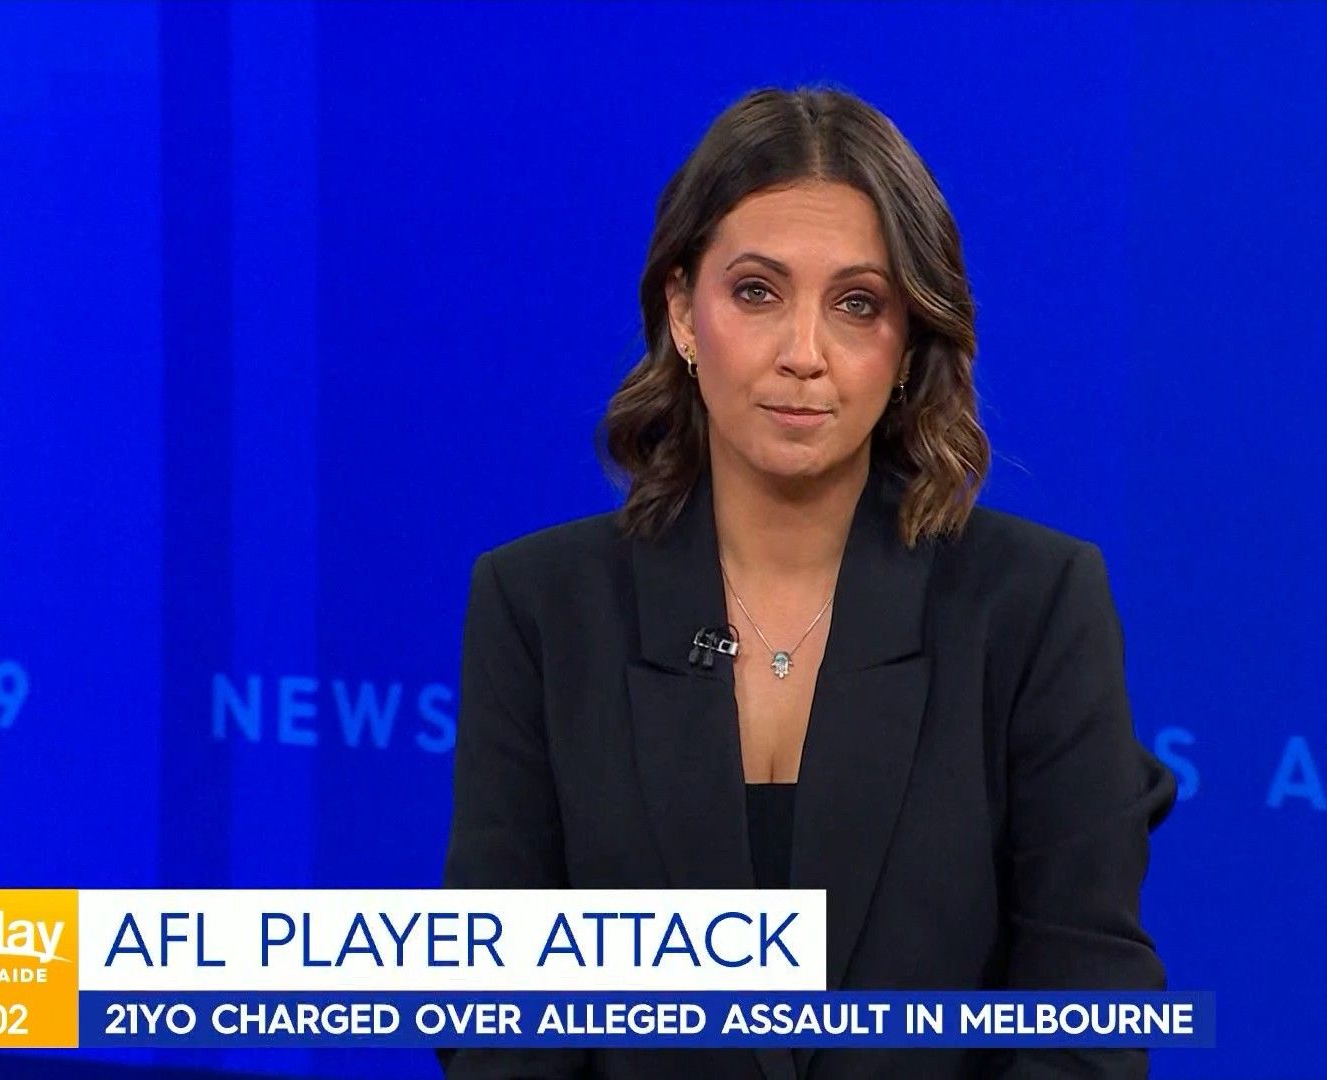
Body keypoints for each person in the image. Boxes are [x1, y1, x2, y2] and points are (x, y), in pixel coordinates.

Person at [441, 85, 1175, 1080]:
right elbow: (503, 1027)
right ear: (682, 312)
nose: (803, 355)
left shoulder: (1035, 607)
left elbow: (1085, 1016)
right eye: (757, 292)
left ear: (908, 342)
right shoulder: (540, 608)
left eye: (857, 305)